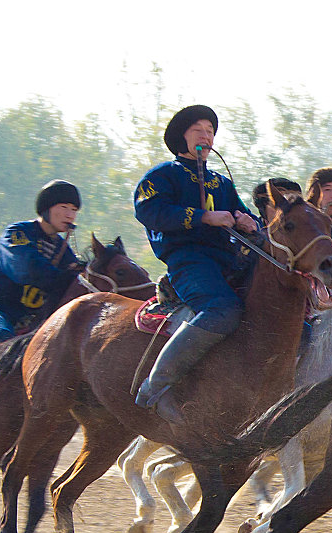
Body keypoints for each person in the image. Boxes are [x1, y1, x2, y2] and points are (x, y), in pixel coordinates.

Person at [133, 104, 259, 423]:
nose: (206, 136)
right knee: (222, 309)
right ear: (182, 138)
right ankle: (156, 388)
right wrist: (204, 217)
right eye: (198, 131)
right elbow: (149, 212)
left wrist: (250, 222)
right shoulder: (163, 176)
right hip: (188, 260)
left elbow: (243, 215)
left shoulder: (222, 183)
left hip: (227, 259)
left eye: (211, 131)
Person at [0, 180, 83, 348]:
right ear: (46, 207)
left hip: (32, 320)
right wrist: (63, 278)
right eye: (64, 207)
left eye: (74, 210)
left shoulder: (65, 254)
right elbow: (25, 268)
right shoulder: (17, 233)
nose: (70, 215)